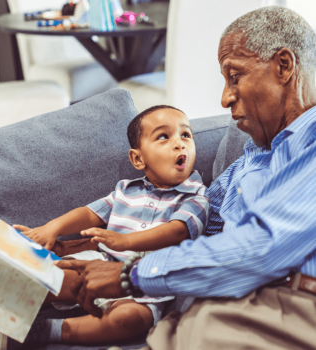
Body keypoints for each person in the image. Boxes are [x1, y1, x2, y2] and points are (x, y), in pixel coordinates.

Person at [52, 6, 316, 350]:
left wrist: (129, 275)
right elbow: (189, 227)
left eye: (234, 76)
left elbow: (263, 246)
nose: (225, 98)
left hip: (284, 306)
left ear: (284, 66)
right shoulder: (247, 162)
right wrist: (82, 250)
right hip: (213, 305)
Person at [0, 105, 209, 349]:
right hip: (100, 263)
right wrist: (53, 227)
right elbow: (90, 213)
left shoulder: (196, 196)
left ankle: (47, 331)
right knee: (54, 275)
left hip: (147, 284)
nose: (180, 144)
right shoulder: (126, 189)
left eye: (186, 135)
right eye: (164, 137)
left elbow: (178, 230)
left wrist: (125, 242)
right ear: (138, 158)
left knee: (130, 319)